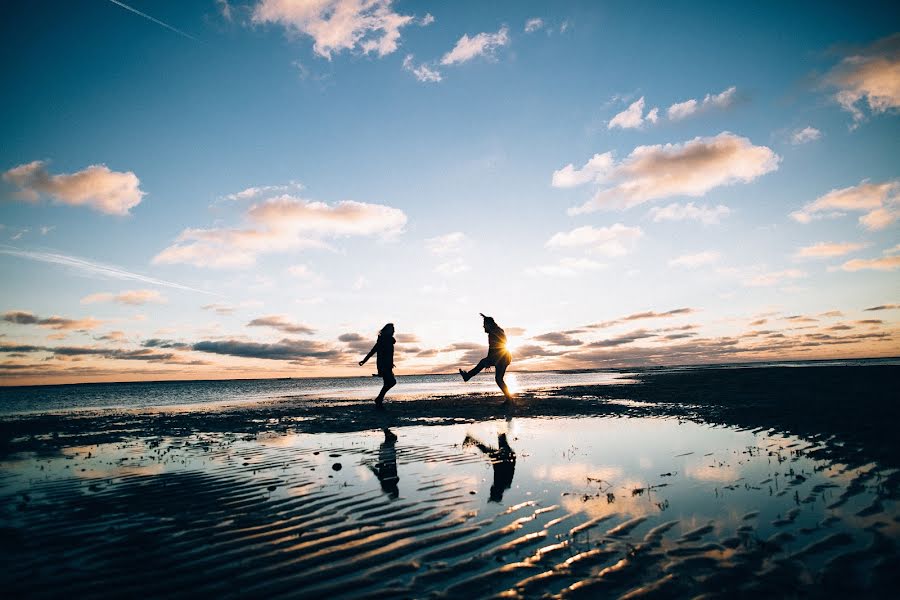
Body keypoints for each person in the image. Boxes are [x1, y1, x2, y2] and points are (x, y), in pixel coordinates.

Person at [459, 313, 513, 401]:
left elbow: (493, 347)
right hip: (505, 356)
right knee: (499, 378)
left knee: (498, 378)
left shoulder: (492, 333)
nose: (483, 327)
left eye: (484, 325)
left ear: (489, 325)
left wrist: (489, 360)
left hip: (501, 357)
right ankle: (509, 398)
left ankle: (509, 399)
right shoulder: (498, 330)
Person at [463, 432, 516, 502]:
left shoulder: (505, 485)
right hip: (503, 460)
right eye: (491, 493)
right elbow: (500, 469)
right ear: (495, 492)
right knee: (486, 450)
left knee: (501, 438)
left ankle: (501, 425)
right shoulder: (500, 484)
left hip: (509, 456)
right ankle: (471, 439)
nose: (490, 490)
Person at [359, 323, 396, 408]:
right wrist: (364, 361)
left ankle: (379, 399)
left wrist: (391, 362)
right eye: (391, 329)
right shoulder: (382, 340)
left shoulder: (390, 340)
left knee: (388, 382)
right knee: (391, 382)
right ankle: (379, 398)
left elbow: (389, 354)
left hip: (388, 364)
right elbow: (373, 351)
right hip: (383, 365)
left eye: (393, 330)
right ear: (386, 330)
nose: (393, 331)